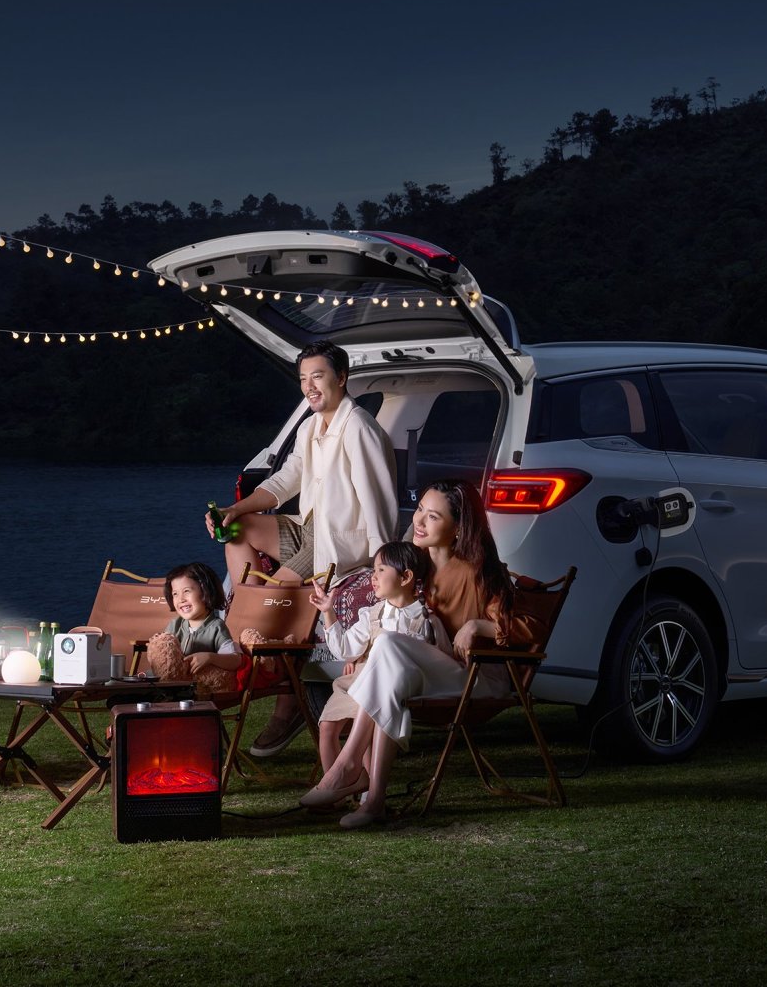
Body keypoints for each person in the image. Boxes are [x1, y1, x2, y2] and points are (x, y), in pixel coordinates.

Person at [299, 479, 538, 829]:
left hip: (475, 678)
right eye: (420, 511)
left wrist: (479, 626)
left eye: (433, 516)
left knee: (388, 645)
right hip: (425, 675)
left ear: (458, 528)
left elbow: (532, 628)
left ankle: (349, 766)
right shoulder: (413, 566)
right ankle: (374, 802)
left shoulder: (481, 571)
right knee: (389, 672)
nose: (420, 522)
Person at [207, 340, 396, 755]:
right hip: (309, 530)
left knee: (274, 593)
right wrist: (232, 509)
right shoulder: (311, 427)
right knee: (238, 529)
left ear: (342, 378)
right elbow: (282, 482)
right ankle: (245, 623)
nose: (310, 386)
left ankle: (277, 688)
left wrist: (384, 568)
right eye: (303, 378)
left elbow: (379, 502)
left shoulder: (360, 429)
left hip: (342, 543)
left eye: (319, 376)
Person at [311, 541, 445, 775]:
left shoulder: (426, 620)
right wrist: (328, 612)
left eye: (381, 570)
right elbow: (346, 649)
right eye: (373, 570)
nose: (373, 577)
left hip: (392, 687)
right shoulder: (372, 614)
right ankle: (333, 790)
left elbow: (441, 657)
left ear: (406, 577)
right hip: (357, 681)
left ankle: (368, 791)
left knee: (370, 732)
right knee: (327, 727)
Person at [143, 562, 243, 698]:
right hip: (173, 682)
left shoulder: (216, 627)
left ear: (206, 590)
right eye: (175, 594)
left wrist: (210, 657)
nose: (181, 599)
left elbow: (235, 660)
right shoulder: (175, 625)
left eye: (186, 591)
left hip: (199, 688)